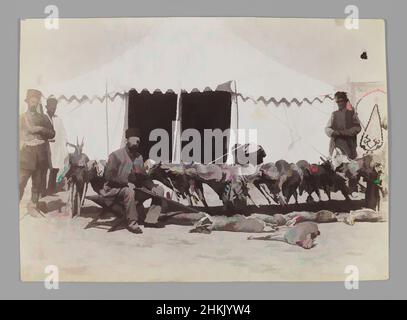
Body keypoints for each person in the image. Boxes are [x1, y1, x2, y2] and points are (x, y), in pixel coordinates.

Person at [100, 128, 166, 234]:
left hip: (133, 188)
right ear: (127, 140)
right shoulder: (116, 155)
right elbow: (109, 176)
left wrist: (152, 186)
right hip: (114, 189)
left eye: (138, 142)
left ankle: (151, 220)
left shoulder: (138, 157)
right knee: (129, 191)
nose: (136, 144)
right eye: (133, 141)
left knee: (159, 190)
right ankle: (132, 223)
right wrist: (125, 183)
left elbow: (143, 177)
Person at [19, 89, 55, 210]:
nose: (34, 103)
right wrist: (25, 135)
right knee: (20, 182)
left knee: (37, 184)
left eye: (36, 101)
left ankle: (33, 207)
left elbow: (52, 133)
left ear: (39, 102)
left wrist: (40, 129)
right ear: (27, 101)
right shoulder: (22, 118)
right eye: (31, 101)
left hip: (40, 155)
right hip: (26, 156)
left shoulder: (44, 118)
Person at [325, 91, 362, 160]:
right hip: (336, 145)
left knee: (349, 165)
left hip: (349, 145)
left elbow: (358, 127)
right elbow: (327, 128)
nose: (339, 103)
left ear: (345, 101)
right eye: (337, 102)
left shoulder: (351, 113)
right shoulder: (334, 114)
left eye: (341, 101)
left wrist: (345, 132)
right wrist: (333, 132)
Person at [44, 97, 69, 195]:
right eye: (51, 107)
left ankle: (51, 189)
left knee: (55, 169)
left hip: (56, 148)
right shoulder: (43, 117)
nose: (53, 109)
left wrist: (64, 142)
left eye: (55, 107)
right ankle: (43, 190)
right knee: (45, 169)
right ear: (47, 107)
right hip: (46, 148)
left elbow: (63, 132)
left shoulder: (58, 119)